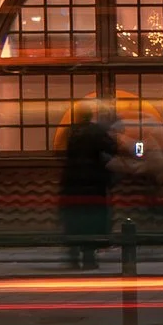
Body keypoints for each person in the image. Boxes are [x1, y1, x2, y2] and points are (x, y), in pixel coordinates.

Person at [58, 98, 121, 271]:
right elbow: (113, 148)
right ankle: (88, 258)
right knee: (91, 220)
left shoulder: (70, 132)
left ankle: (73, 257)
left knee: (74, 220)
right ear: (90, 115)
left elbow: (59, 151)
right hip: (93, 182)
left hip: (71, 182)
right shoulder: (96, 131)